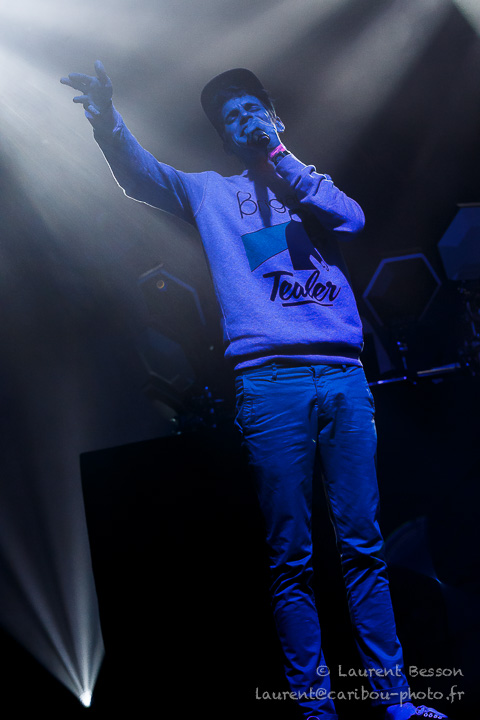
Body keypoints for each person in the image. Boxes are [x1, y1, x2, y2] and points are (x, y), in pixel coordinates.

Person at [61, 62, 449, 720]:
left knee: (363, 544)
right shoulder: (210, 192)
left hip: (343, 376)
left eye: (251, 108)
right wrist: (107, 121)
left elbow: (351, 220)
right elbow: (141, 176)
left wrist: (281, 160)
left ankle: (396, 701)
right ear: (223, 138)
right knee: (291, 555)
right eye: (230, 117)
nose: (242, 118)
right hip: (269, 383)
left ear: (274, 119)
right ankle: (315, 709)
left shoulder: (308, 185)